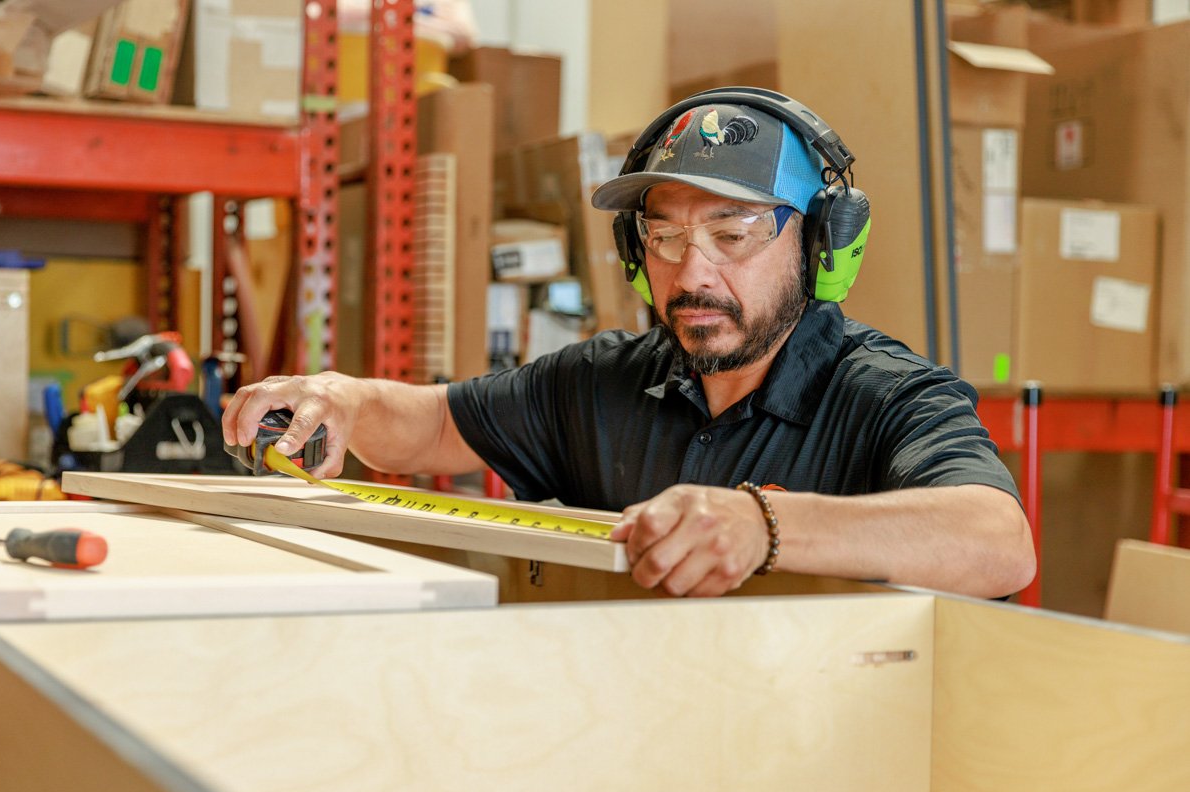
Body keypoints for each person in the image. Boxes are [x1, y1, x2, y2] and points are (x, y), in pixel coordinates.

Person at [222, 87, 1035, 600]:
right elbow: (433, 426)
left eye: (735, 231)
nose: (693, 270)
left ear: (823, 246)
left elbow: (996, 543)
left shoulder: (884, 396)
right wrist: (346, 398)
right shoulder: (601, 382)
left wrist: (765, 528)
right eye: (664, 234)